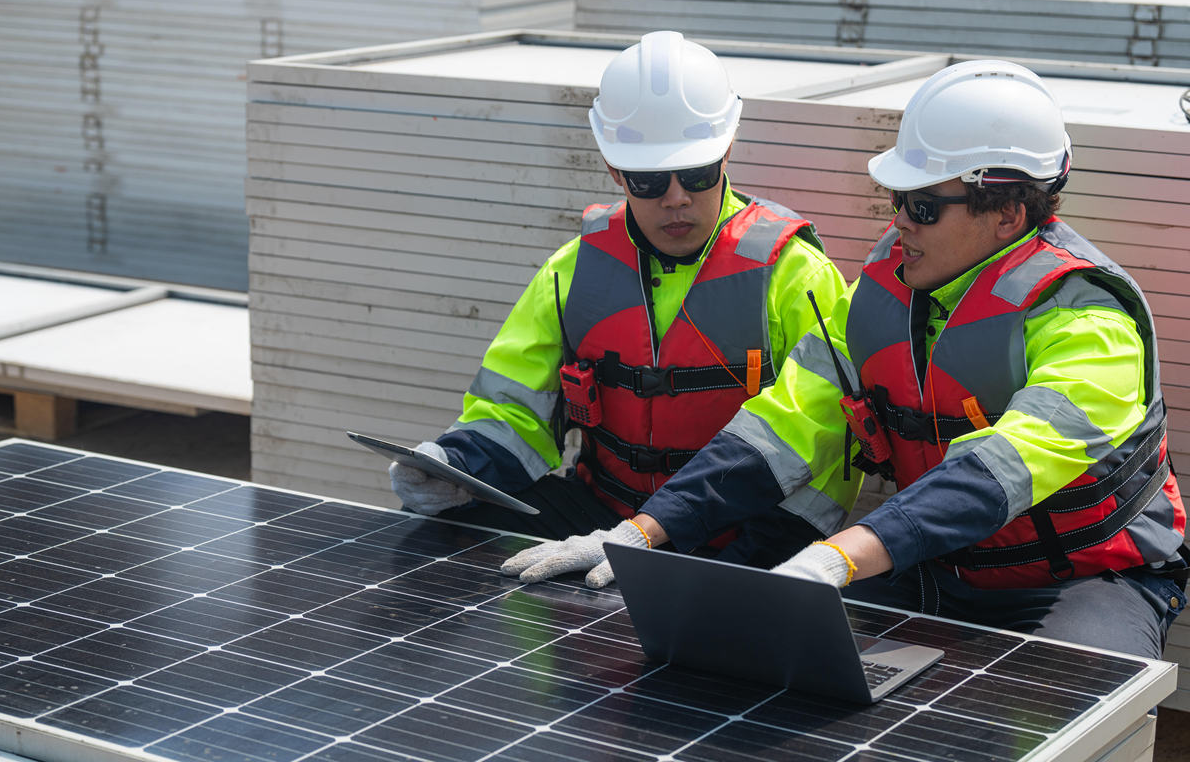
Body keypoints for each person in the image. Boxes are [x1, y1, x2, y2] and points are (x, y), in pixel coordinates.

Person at [503, 59, 1187, 660]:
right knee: (778, 668)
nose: (898, 223)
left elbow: (996, 472)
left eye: (922, 204)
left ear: (1007, 213)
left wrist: (835, 558)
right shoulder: (877, 297)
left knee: (1081, 704)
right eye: (897, 200)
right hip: (935, 563)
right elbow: (781, 427)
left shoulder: (1089, 324)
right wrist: (639, 534)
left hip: (1081, 579)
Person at [388, 31, 853, 575]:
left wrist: (690, 545)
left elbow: (814, 442)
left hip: (748, 532)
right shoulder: (572, 271)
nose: (677, 197)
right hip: (599, 515)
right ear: (615, 170)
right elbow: (512, 406)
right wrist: (452, 465)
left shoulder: (794, 274)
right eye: (650, 180)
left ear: (727, 152)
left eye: (698, 173)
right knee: (443, 532)